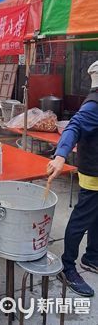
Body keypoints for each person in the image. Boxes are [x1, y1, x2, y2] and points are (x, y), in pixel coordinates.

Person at [47, 60, 98, 297]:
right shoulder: (93, 106)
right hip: (93, 174)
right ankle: (67, 266)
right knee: (81, 219)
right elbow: (73, 127)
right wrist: (60, 156)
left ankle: (92, 257)